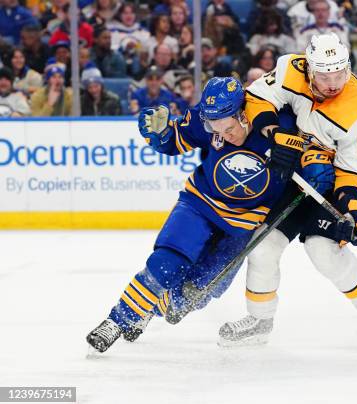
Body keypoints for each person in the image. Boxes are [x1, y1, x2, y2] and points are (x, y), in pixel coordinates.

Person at [218, 33, 357, 354]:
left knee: (322, 250)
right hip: (299, 175)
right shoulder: (291, 68)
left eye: (339, 74)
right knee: (263, 246)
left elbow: (354, 169)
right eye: (325, 75)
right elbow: (257, 98)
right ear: (310, 70)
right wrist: (275, 135)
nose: (333, 83)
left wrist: (352, 213)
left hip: (333, 182)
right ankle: (259, 321)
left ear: (347, 68)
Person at [86, 77, 291, 353]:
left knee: (192, 296)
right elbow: (174, 141)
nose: (224, 135)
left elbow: (316, 158)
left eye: (229, 128)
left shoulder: (280, 126)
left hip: (242, 226)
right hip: (199, 205)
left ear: (244, 114)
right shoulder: (206, 120)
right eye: (215, 129)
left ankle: (148, 307)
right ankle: (116, 320)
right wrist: (160, 135)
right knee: (165, 263)